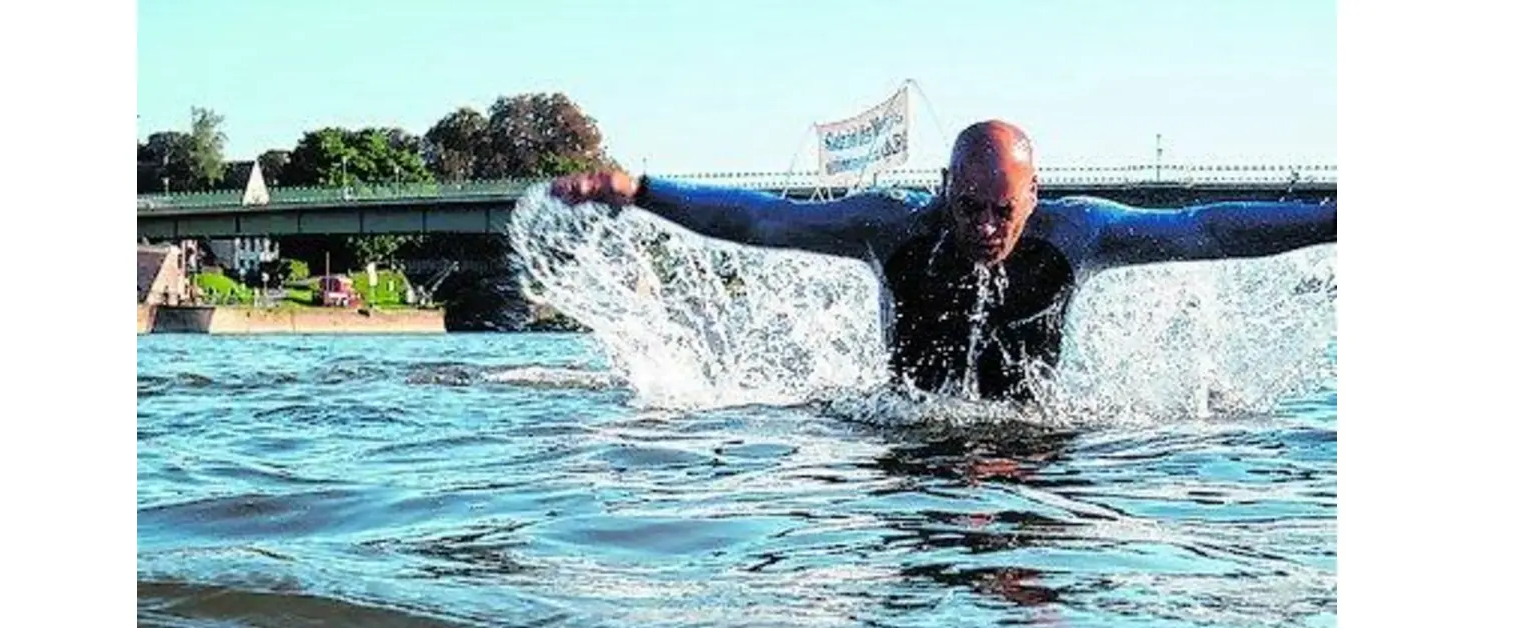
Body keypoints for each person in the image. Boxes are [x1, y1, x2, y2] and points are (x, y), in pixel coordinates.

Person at [550, 120, 1336, 401]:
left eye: (1005, 211)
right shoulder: (890, 227)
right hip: (911, 434)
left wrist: (1333, 219)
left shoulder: (1079, 233)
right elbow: (764, 219)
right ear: (943, 190)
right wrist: (640, 189)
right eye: (969, 207)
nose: (987, 227)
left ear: (1036, 199)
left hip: (1033, 444)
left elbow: (1209, 228)